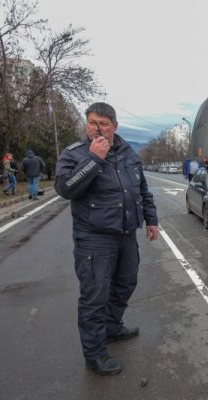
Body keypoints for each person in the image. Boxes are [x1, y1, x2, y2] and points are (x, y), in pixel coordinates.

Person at [54, 102, 159, 376]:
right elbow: (65, 189)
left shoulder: (128, 153)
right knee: (94, 297)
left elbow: (143, 190)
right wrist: (93, 160)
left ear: (115, 125)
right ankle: (95, 355)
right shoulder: (75, 154)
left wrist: (152, 220)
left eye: (103, 123)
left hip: (126, 235)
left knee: (126, 283)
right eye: (92, 123)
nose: (97, 129)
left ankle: (112, 328)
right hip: (94, 239)